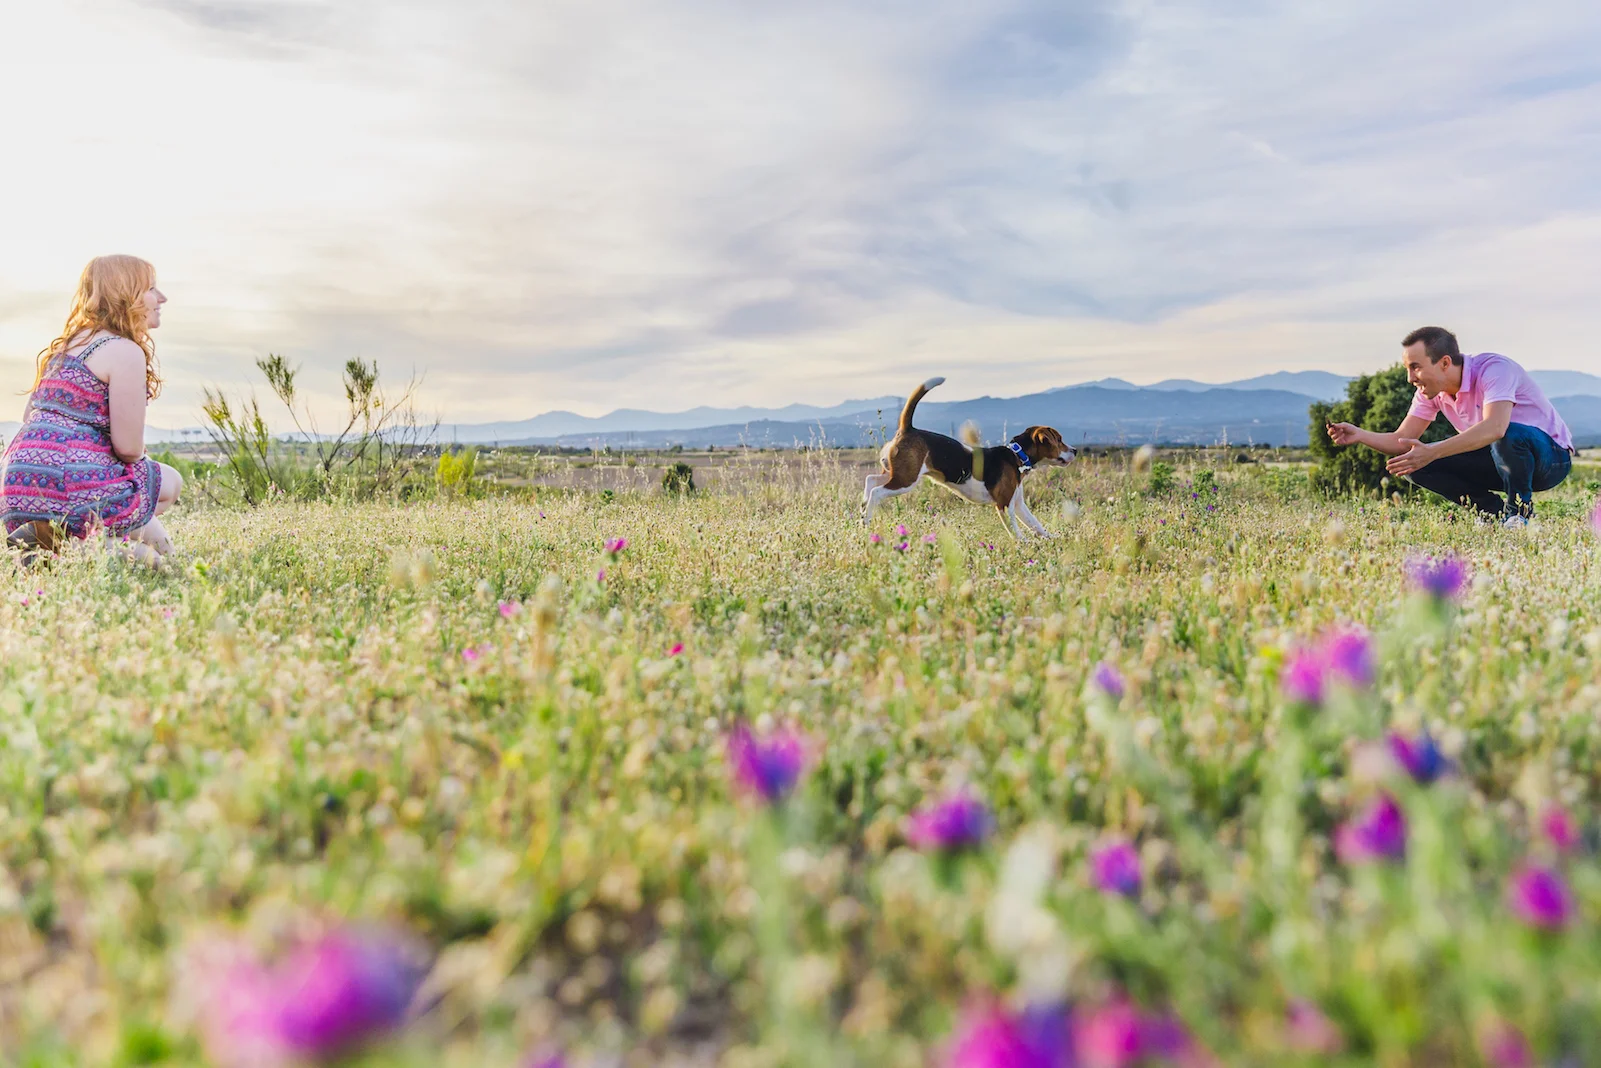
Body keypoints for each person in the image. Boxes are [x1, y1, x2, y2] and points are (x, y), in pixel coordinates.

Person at [2, 255, 183, 564]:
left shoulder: (64, 347)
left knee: (166, 553)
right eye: (152, 288)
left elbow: (28, 418)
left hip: (19, 482)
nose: (162, 298)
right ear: (127, 295)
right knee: (167, 482)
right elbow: (128, 449)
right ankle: (76, 550)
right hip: (72, 481)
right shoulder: (124, 351)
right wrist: (126, 463)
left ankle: (47, 539)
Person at [1326, 327, 1574, 526]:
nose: (1410, 378)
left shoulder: (1495, 369)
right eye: (1408, 369)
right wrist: (1359, 434)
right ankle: (1493, 514)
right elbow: (1401, 440)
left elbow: (1495, 427)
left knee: (1507, 434)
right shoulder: (1429, 392)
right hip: (1500, 460)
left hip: (1550, 460)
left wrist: (1433, 450)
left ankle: (1518, 515)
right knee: (1414, 462)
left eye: (1416, 367)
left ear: (1444, 363)